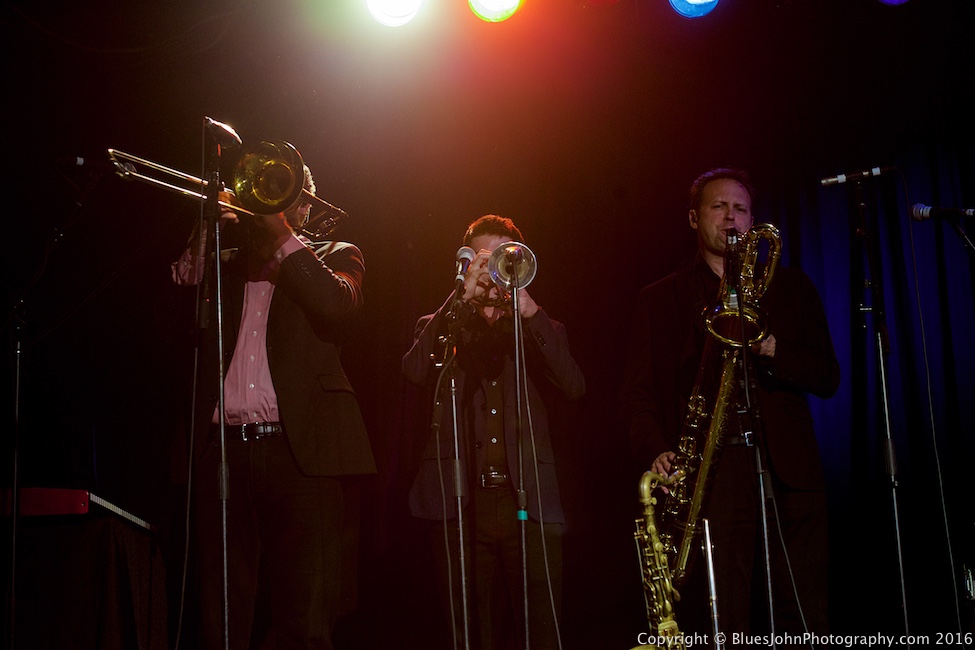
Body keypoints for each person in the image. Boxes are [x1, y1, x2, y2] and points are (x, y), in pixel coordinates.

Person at [619, 168, 840, 643]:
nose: (731, 217)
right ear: (694, 218)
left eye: (740, 209)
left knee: (804, 611)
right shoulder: (660, 299)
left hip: (789, 471)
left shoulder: (793, 288)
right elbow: (637, 394)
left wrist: (772, 348)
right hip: (713, 473)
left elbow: (827, 376)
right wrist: (656, 449)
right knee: (727, 614)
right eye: (719, 207)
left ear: (752, 221)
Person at [171, 163, 376, 649]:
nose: (268, 203)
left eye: (283, 195)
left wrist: (281, 232)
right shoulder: (224, 261)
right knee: (221, 616)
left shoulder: (336, 254)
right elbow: (172, 310)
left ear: (304, 207)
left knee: (305, 618)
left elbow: (337, 303)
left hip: (302, 455)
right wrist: (203, 232)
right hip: (225, 452)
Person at [402, 215, 585, 650]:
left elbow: (574, 387)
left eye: (503, 258)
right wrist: (459, 297)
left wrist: (529, 310)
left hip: (529, 503)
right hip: (461, 503)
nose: (492, 270)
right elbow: (413, 372)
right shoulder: (441, 325)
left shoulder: (541, 328)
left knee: (541, 633)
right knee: (469, 634)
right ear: (466, 262)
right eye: (484, 259)